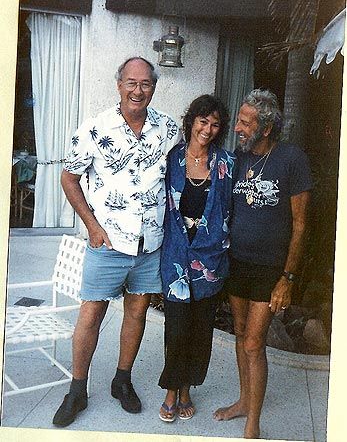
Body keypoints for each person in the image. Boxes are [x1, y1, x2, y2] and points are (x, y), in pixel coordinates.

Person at [52, 57, 182, 427]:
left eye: (145, 84)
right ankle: (77, 390)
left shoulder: (168, 130)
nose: (138, 90)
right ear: (119, 85)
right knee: (91, 314)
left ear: (153, 88)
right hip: (107, 242)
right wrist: (92, 226)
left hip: (150, 243)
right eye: (131, 82)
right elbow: (69, 178)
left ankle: (121, 381)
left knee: (137, 313)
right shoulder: (94, 129)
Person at [213, 89, 312, 439]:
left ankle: (253, 421)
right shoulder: (238, 159)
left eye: (245, 122)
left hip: (270, 268)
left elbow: (301, 223)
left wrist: (288, 277)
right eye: (239, 120)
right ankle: (243, 401)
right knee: (241, 335)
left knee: (254, 342)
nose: (237, 127)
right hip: (237, 262)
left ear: (266, 127)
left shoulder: (292, 159)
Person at [158, 95, 236, 422]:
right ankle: (171, 390)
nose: (208, 129)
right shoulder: (170, 159)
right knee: (176, 328)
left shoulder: (227, 163)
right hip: (176, 257)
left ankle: (187, 387)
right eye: (203, 121)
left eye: (215, 124)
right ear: (191, 121)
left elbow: (236, 208)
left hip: (210, 262)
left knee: (200, 330)